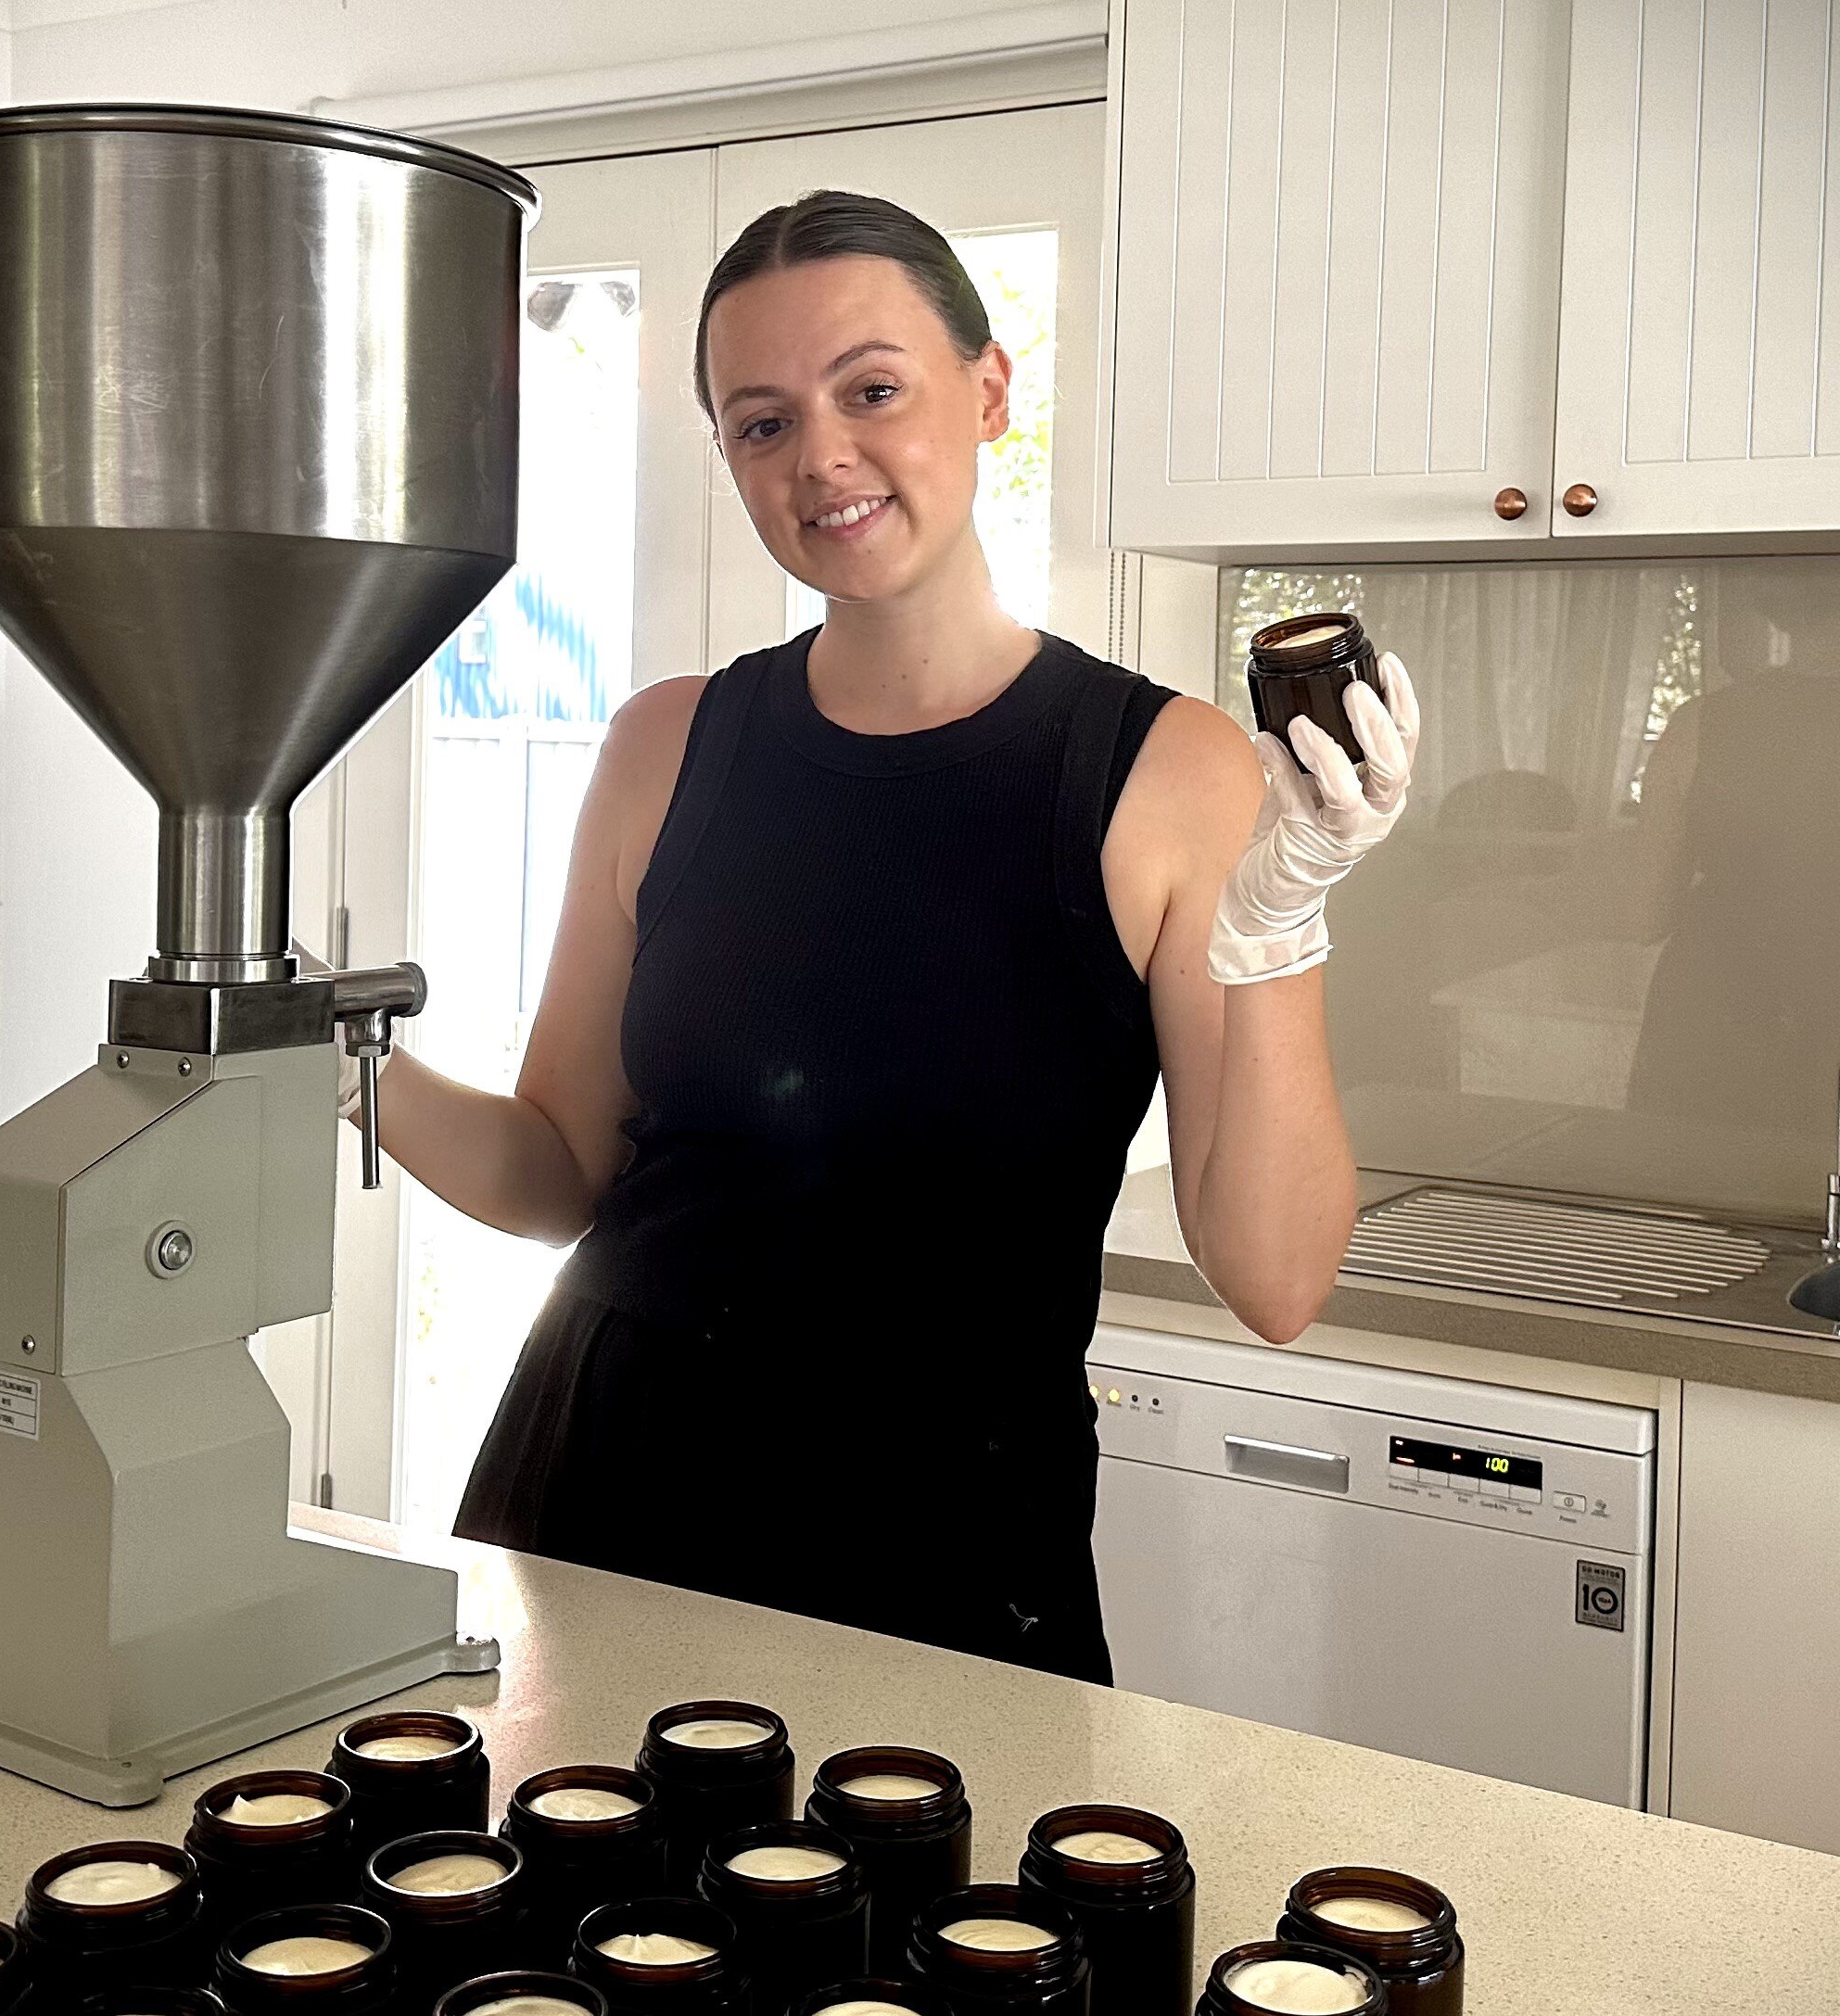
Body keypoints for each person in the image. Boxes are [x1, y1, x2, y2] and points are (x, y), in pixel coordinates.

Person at [357, 191, 1420, 1681]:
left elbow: (1276, 1276)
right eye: (762, 422)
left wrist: (1282, 921)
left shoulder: (1167, 770)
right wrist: (340, 1068)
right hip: (604, 1497)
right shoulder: (666, 745)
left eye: (872, 391)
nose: (823, 458)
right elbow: (560, 1172)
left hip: (949, 1546)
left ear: (988, 393)